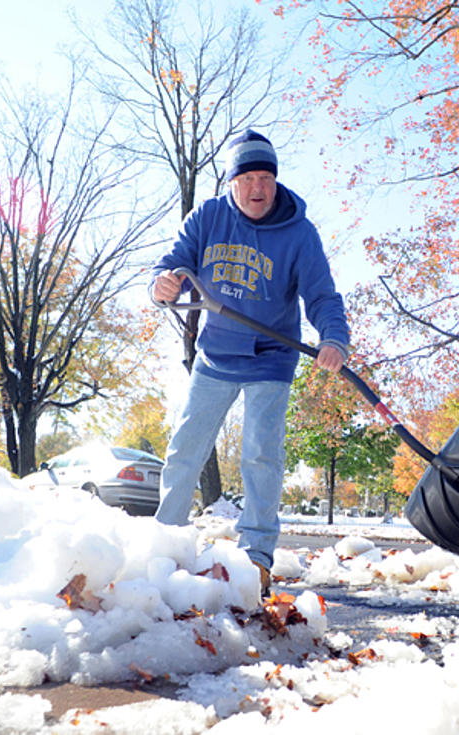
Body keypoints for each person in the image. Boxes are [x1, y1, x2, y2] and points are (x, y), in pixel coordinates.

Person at [149, 129, 350, 597]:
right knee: (184, 451)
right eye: (249, 178)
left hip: (270, 357)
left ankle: (256, 557)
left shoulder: (299, 232)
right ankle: (162, 546)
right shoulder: (209, 217)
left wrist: (334, 338)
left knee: (261, 454)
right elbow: (175, 262)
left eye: (266, 177)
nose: (259, 187)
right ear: (231, 182)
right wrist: (164, 282)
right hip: (216, 354)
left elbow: (322, 295)